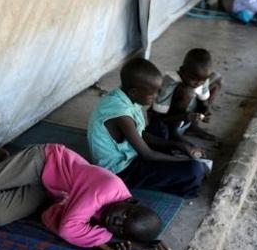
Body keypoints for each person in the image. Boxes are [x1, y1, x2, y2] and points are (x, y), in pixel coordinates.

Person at [0, 136, 170, 250]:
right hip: (42, 161)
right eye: (126, 215)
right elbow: (68, 228)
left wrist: (128, 242)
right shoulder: (106, 189)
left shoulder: (114, 220)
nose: (116, 221)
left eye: (121, 229)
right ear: (132, 201)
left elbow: (55, 220)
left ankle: (2, 170)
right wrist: (107, 241)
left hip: (48, 190)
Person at [87, 57, 206, 198]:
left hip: (134, 153)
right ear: (133, 92)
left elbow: (140, 134)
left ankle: (173, 160)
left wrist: (179, 145)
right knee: (194, 170)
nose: (155, 97)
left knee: (160, 127)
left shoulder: (126, 96)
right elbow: (147, 154)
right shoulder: (120, 115)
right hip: (120, 172)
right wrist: (186, 160)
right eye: (152, 94)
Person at [147, 49, 222, 145]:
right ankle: (173, 132)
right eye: (194, 79)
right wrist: (185, 116)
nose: (198, 84)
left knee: (217, 80)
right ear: (182, 70)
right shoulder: (169, 82)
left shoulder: (201, 79)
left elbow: (203, 99)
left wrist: (205, 110)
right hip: (168, 119)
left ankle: (192, 127)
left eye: (202, 81)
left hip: (188, 114)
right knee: (187, 90)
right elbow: (157, 118)